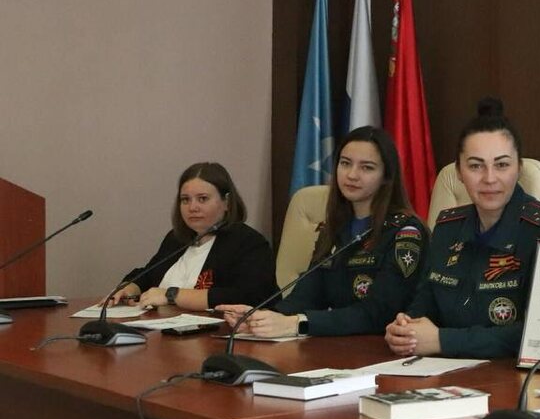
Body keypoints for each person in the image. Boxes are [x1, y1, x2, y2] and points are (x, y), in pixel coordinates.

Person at [385, 98, 540, 358]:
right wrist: (405, 330)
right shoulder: (448, 227)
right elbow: (423, 306)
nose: (489, 178)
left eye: (502, 165)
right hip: (444, 373)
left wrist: (444, 341)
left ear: (519, 168)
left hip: (511, 375)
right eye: (475, 166)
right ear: (459, 172)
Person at [217, 126, 429, 337]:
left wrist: (297, 323)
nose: (352, 175)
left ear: (386, 176)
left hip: (384, 347)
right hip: (337, 345)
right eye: (345, 163)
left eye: (367, 168)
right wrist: (262, 318)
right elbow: (306, 295)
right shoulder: (335, 227)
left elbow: (379, 314)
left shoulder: (406, 233)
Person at [108, 162, 274, 311]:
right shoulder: (176, 239)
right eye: (185, 200)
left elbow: (249, 296)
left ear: (227, 202)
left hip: (218, 331)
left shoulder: (249, 242)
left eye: (202, 199)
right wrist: (128, 289)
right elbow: (148, 274)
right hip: (162, 328)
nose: (192, 207)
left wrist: (171, 295)